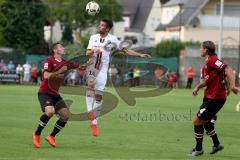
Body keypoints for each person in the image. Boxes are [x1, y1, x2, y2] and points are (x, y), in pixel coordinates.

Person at [85, 19, 151, 137]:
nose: (100, 27)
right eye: (100, 25)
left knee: (99, 97)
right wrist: (95, 50)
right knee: (90, 85)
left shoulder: (113, 39)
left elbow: (125, 50)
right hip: (92, 67)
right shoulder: (93, 37)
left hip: (103, 70)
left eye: (102, 25)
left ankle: (94, 122)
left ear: (108, 28)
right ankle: (89, 110)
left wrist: (139, 55)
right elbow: (87, 53)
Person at [32, 42, 90, 148]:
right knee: (50, 111)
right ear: (55, 50)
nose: (63, 48)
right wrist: (59, 71)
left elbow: (79, 67)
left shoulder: (65, 62)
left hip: (55, 94)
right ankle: (36, 134)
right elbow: (45, 75)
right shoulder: (49, 61)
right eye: (61, 47)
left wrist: (90, 62)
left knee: (65, 116)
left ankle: (52, 136)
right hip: (45, 92)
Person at [188, 41, 239, 156]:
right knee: (205, 122)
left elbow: (228, 70)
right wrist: (197, 87)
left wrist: (231, 86)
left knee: (197, 121)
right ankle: (216, 145)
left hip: (216, 98)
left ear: (206, 49)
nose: (200, 50)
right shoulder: (208, 62)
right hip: (210, 96)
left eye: (201, 48)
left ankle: (198, 149)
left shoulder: (212, 60)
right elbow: (207, 81)